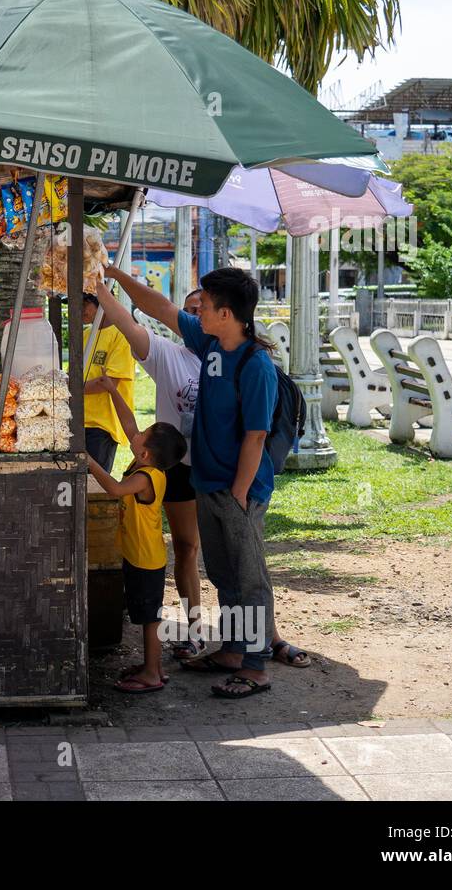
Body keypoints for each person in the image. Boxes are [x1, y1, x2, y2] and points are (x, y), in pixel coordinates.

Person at [99, 270, 312, 672]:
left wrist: (238, 494)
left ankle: (254, 666)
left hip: (236, 490)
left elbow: (255, 437)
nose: (198, 314)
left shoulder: (255, 365)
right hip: (207, 483)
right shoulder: (210, 343)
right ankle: (233, 650)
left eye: (207, 307)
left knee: (248, 578)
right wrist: (106, 277)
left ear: (226, 314)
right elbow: (158, 308)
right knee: (224, 575)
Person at [97, 279, 204, 661]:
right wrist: (103, 285)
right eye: (191, 309)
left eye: (204, 307)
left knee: (230, 555)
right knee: (187, 550)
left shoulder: (236, 356)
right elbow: (130, 323)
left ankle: (259, 636)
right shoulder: (169, 354)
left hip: (220, 470)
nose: (197, 314)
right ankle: (195, 632)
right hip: (175, 471)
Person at [87, 399, 187, 694]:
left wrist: (91, 463)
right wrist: (112, 391)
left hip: (146, 560)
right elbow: (129, 424)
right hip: (139, 554)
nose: (136, 433)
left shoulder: (144, 477)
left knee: (149, 619)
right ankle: (152, 667)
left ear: (144, 453)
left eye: (143, 433)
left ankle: (152, 673)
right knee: (145, 615)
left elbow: (115, 490)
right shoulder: (145, 462)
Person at [80, 292, 134, 472]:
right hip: (80, 421)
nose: (79, 309)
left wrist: (72, 388)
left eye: (85, 303)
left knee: (94, 486)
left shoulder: (121, 336)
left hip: (103, 426)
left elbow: (108, 382)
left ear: (103, 303)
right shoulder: (86, 335)